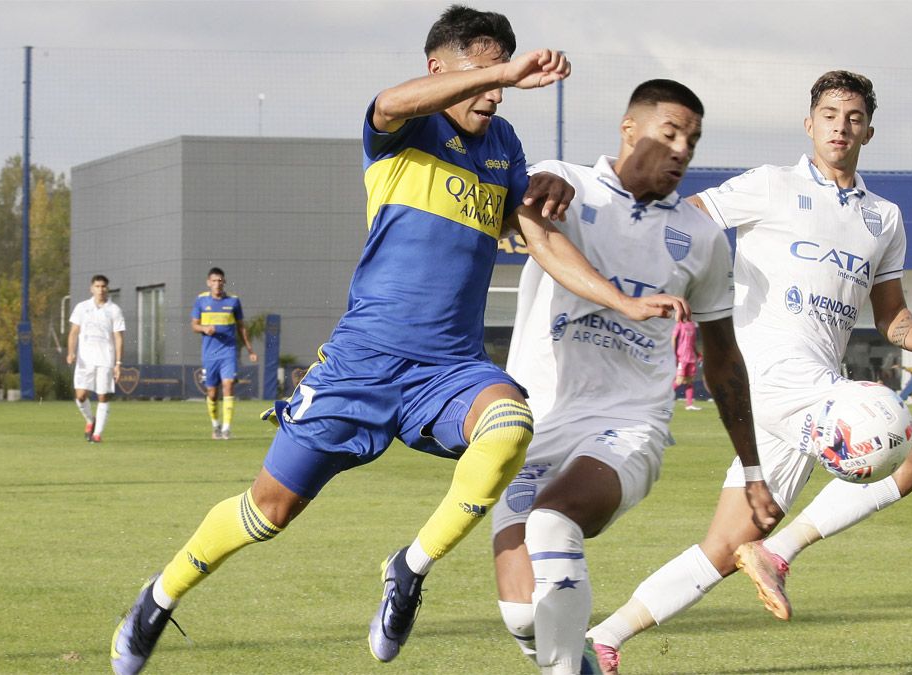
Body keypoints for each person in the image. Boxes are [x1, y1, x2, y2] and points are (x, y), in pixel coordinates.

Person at [110, 6, 685, 674]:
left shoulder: (502, 149)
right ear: (437, 68)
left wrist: (621, 299)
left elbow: (540, 238)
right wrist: (506, 71)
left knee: (508, 425)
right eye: (481, 76)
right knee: (269, 509)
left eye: (503, 78)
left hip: (449, 369)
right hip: (361, 363)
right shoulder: (403, 128)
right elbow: (388, 100)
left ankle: (409, 569)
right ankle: (159, 595)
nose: (496, 93)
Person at [587, 70, 912, 673]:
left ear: (868, 131)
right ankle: (779, 555)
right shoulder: (770, 184)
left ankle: (605, 639)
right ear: (810, 125)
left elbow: (892, 315)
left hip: (808, 388)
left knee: (727, 546)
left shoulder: (883, 218)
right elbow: (688, 218)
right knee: (903, 457)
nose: (841, 124)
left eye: (854, 116)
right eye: (830, 114)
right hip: (770, 374)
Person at [491, 79, 777, 675]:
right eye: (669, 133)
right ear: (628, 129)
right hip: (534, 420)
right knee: (524, 615)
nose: (681, 150)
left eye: (692, 141)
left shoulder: (700, 238)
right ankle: (576, 661)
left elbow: (723, 358)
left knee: (552, 520)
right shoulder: (560, 181)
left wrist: (752, 469)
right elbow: (512, 210)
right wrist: (533, 188)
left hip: (628, 423)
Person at [191, 267, 258, 440]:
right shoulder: (201, 301)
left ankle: (227, 429)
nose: (217, 284)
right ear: (208, 283)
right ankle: (216, 426)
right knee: (212, 393)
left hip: (228, 351)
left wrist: (250, 349)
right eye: (214, 280)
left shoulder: (233, 301)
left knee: (228, 385)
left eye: (220, 280)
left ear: (224, 282)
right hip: (210, 354)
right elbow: (194, 325)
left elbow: (241, 327)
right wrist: (205, 328)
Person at [66, 274, 125, 443]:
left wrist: (118, 363)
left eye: (103, 286)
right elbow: (74, 332)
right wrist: (71, 352)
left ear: (107, 288)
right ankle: (90, 420)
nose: (100, 290)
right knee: (81, 396)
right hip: (85, 360)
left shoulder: (114, 310)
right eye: (97, 286)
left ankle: (97, 434)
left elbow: (119, 338)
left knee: (102, 396)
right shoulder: (82, 307)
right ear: (91, 289)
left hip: (105, 360)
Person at [671, 320, 702, 410]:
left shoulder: (693, 324)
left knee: (689, 381)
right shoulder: (679, 324)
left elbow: (692, 343)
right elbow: (673, 338)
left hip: (691, 357)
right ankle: (661, 399)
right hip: (681, 356)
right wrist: (673, 354)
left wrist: (698, 354)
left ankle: (689, 404)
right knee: (679, 380)